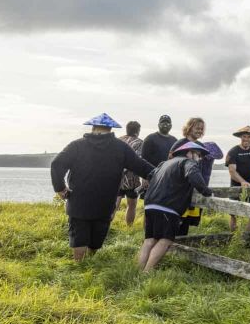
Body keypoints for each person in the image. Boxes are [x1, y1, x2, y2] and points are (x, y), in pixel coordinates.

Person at [50, 113, 154, 261]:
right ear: (111, 129)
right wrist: (159, 173)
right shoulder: (121, 147)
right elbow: (141, 166)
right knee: (96, 240)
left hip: (79, 202)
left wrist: (60, 188)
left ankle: (81, 267)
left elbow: (56, 164)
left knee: (79, 237)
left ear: (93, 128)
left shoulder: (77, 145)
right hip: (105, 202)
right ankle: (89, 263)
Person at [137, 141, 214, 272]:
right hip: (168, 206)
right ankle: (147, 273)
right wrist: (207, 192)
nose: (199, 158)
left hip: (150, 204)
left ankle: (137, 271)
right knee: (165, 240)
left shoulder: (164, 163)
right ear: (189, 153)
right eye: (198, 155)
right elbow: (194, 177)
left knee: (149, 239)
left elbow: (150, 175)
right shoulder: (188, 162)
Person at [169, 117, 219, 233]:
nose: (199, 131)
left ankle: (180, 247)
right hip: (180, 188)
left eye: (201, 129)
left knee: (186, 223)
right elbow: (170, 161)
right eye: (197, 128)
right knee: (176, 220)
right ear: (189, 127)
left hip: (194, 188)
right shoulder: (180, 143)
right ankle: (169, 247)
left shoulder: (201, 146)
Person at [115, 121, 143, 227]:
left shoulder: (118, 140)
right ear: (137, 131)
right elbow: (139, 161)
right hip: (132, 180)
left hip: (116, 178)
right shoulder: (140, 142)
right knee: (131, 205)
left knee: (114, 205)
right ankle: (129, 228)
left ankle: (106, 226)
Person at [226, 126, 250, 200]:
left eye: (249, 137)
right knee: (235, 211)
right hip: (236, 188)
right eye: (244, 136)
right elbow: (232, 171)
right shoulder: (233, 151)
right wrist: (243, 182)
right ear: (240, 137)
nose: (246, 139)